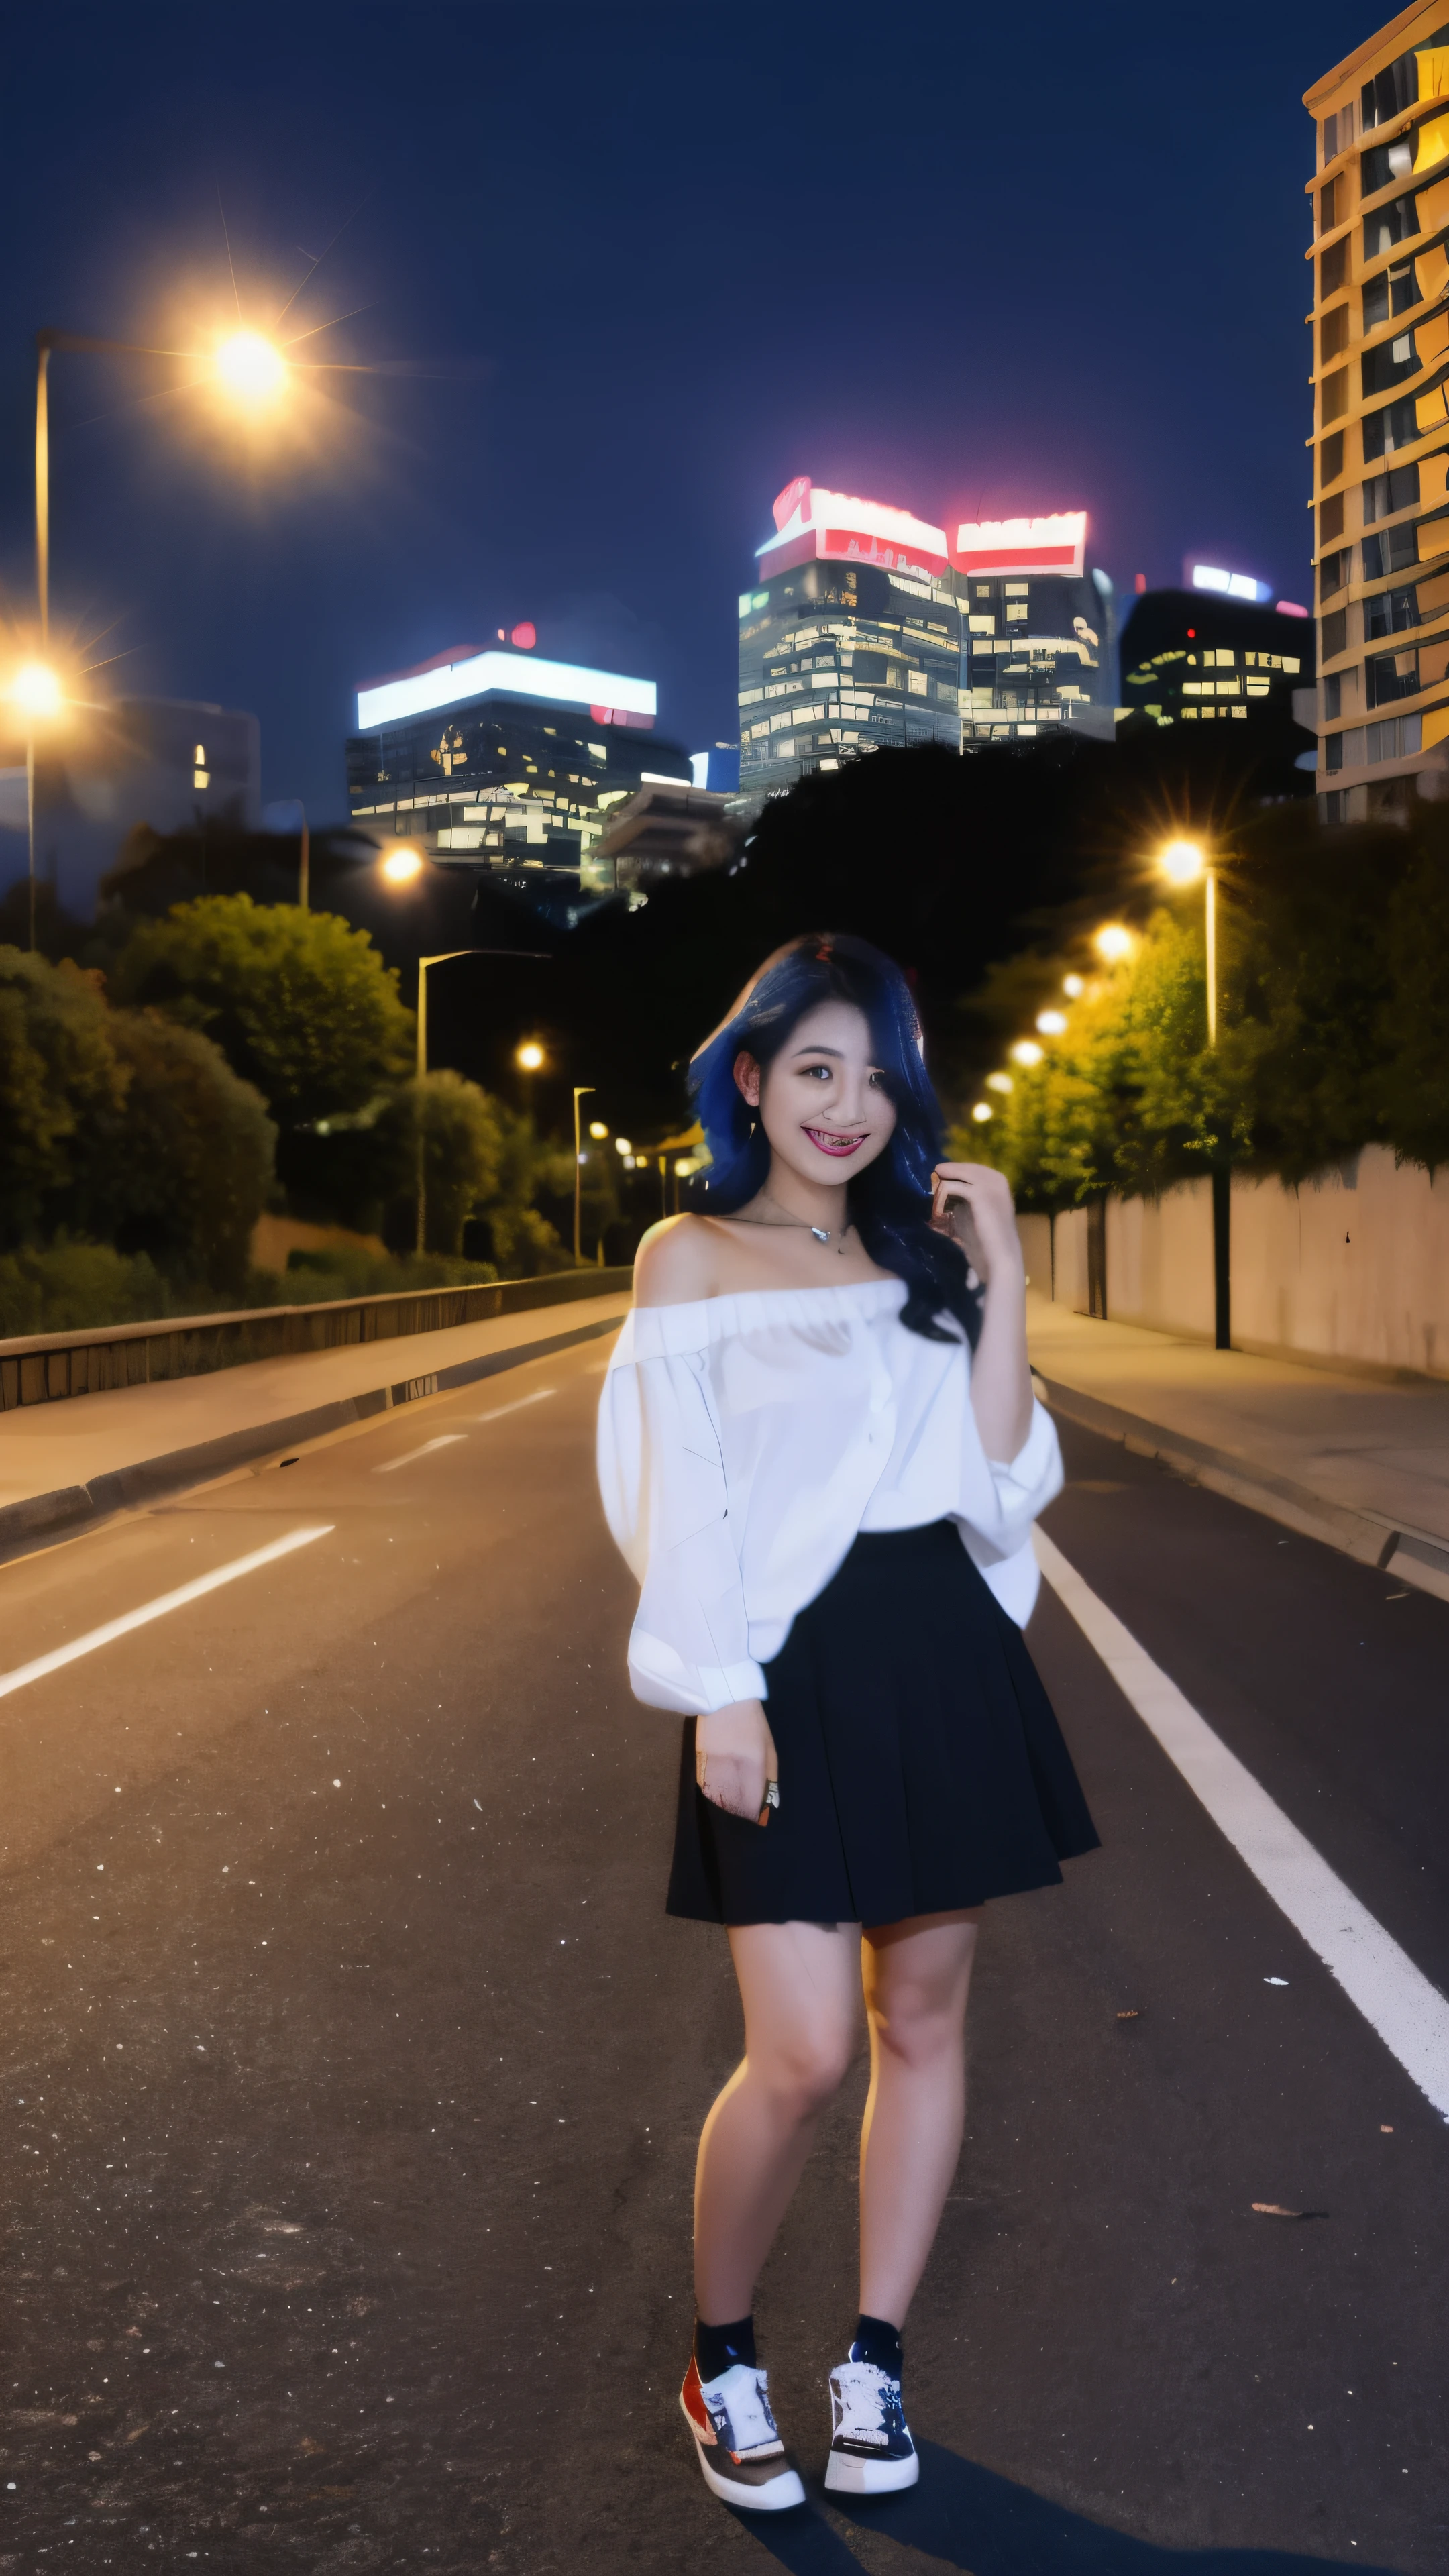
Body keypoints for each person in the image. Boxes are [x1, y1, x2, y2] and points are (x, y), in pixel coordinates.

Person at [596, 932, 1097, 2512]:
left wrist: (1003, 1275)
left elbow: (1004, 1473)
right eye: (816, 1068)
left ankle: (872, 2363)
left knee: (921, 2026)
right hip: (787, 1670)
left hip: (937, 1651)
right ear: (750, 1079)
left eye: (879, 1077)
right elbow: (672, 1490)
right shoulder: (688, 1256)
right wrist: (719, 1693)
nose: (849, 1106)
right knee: (803, 2051)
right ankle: (722, 2352)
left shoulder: (922, 1260)